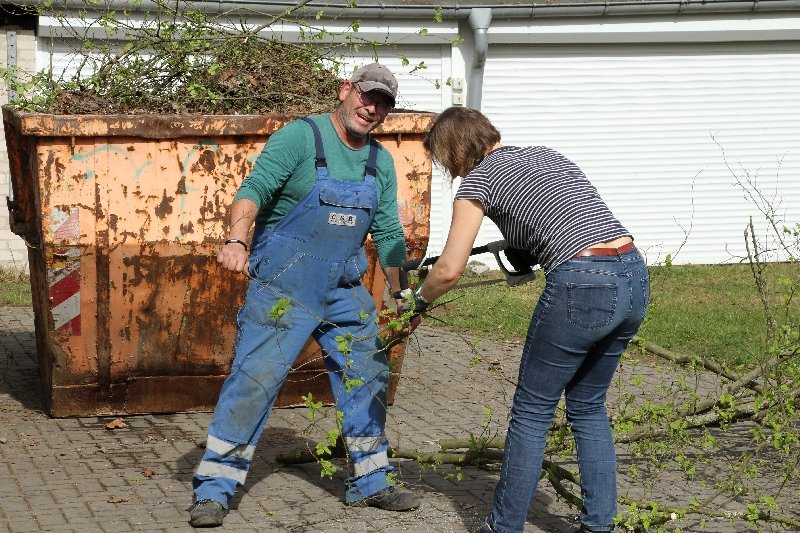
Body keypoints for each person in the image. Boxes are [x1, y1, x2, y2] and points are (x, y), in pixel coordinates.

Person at [189, 63, 421, 528]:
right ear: (346, 91)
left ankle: (372, 482)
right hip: (283, 288)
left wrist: (402, 294)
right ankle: (214, 490)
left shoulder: (381, 161)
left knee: (369, 377)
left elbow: (389, 232)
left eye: (383, 104)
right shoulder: (301, 138)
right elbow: (251, 192)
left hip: (344, 289)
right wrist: (237, 239)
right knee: (255, 382)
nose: (372, 108)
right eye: (367, 96)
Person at [410, 107, 649, 533]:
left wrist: (417, 303)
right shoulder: (546, 154)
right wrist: (520, 243)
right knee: (589, 406)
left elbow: (447, 270)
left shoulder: (478, 181)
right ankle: (598, 526)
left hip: (582, 280)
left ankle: (503, 527)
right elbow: (562, 214)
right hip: (632, 272)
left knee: (533, 411)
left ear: (453, 152)